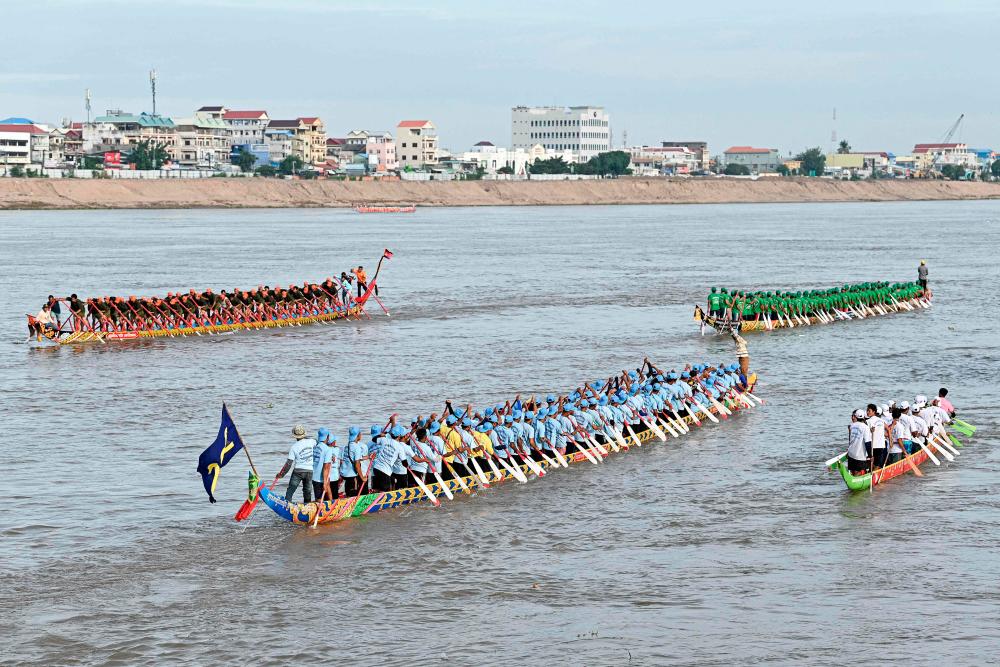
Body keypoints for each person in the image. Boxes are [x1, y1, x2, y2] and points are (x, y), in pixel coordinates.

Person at [276, 425, 317, 503]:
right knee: (307, 491)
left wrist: (281, 474)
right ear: (304, 433)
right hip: (310, 471)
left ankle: (287, 505)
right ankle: (307, 506)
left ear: (295, 436)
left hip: (298, 471)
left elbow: (288, 464)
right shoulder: (312, 441)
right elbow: (318, 443)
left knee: (290, 490)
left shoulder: (294, 447)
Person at [311, 428, 338, 503]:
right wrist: (325, 482)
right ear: (327, 437)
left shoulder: (315, 447)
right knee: (319, 499)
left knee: (318, 497)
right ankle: (325, 510)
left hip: (314, 477)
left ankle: (331, 504)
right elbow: (326, 467)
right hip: (321, 479)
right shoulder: (327, 449)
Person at [847, 409, 870, 474]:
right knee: (860, 471)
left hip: (851, 453)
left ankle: (853, 478)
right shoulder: (866, 427)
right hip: (860, 455)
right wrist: (870, 455)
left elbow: (850, 440)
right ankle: (856, 480)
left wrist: (848, 450)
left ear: (856, 416)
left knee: (853, 471)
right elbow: (868, 443)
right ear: (864, 417)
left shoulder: (852, 425)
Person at [866, 404, 888, 469]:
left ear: (874, 412)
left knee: (871, 463)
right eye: (867, 410)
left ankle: (872, 476)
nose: (867, 412)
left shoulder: (868, 421)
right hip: (881, 445)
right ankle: (874, 475)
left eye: (869, 411)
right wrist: (891, 439)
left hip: (873, 446)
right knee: (877, 464)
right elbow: (888, 429)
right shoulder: (881, 420)